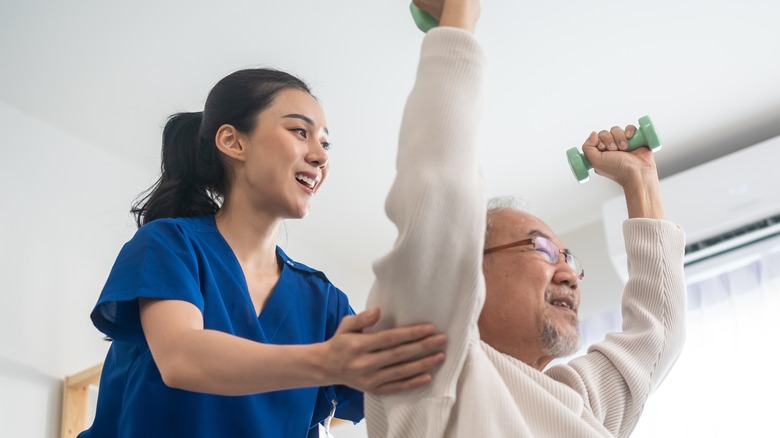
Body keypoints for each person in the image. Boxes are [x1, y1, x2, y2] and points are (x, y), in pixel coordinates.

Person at [364, 0, 686, 436]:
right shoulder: (434, 365)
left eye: (569, 259)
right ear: (469, 273)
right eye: (544, 249)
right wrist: (459, 17)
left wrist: (640, 181)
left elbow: (657, 334)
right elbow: (441, 188)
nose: (570, 275)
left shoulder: (576, 401)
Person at [79, 67, 449, 438]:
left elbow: (389, 396)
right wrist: (326, 361)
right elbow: (181, 357)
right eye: (300, 132)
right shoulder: (171, 244)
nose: (320, 156)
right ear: (233, 142)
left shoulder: (323, 300)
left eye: (326, 142)